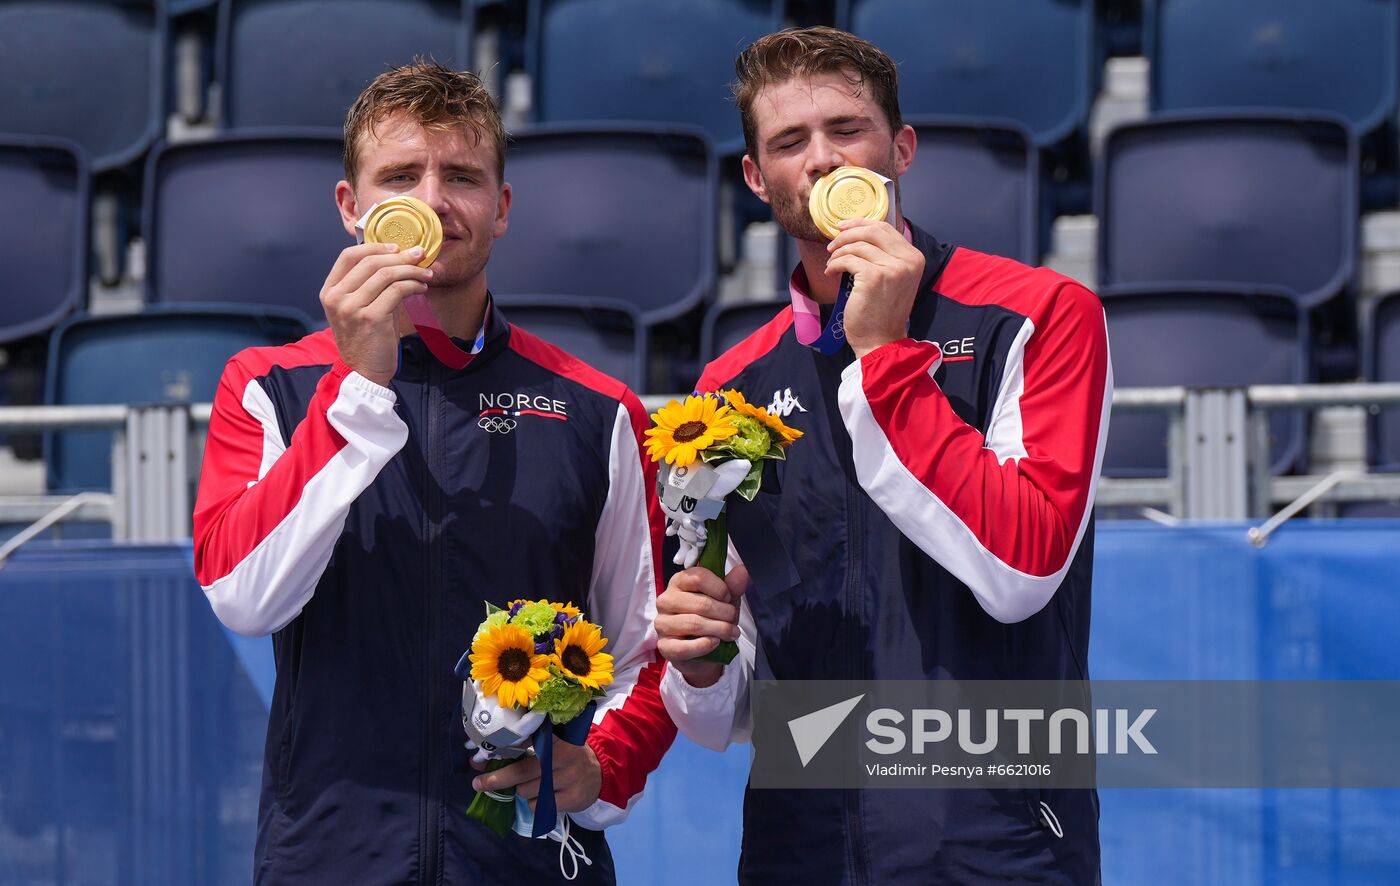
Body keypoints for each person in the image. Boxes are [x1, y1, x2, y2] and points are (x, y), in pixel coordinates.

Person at [192, 62, 674, 885]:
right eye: (400, 177)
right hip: (332, 860)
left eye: (461, 177)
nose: (434, 201)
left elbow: (652, 649)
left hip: (530, 862)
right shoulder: (270, 385)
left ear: (501, 208)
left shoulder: (597, 409)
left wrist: (600, 769)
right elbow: (244, 594)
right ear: (352, 208)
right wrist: (358, 390)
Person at [654, 27, 1112, 884]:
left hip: (995, 845)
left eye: (847, 130)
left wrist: (885, 357)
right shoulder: (726, 388)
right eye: (790, 142)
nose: (823, 161)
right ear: (758, 180)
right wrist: (702, 661)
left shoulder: (1039, 315)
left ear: (899, 149)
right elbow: (730, 710)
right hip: (800, 848)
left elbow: (1021, 570)